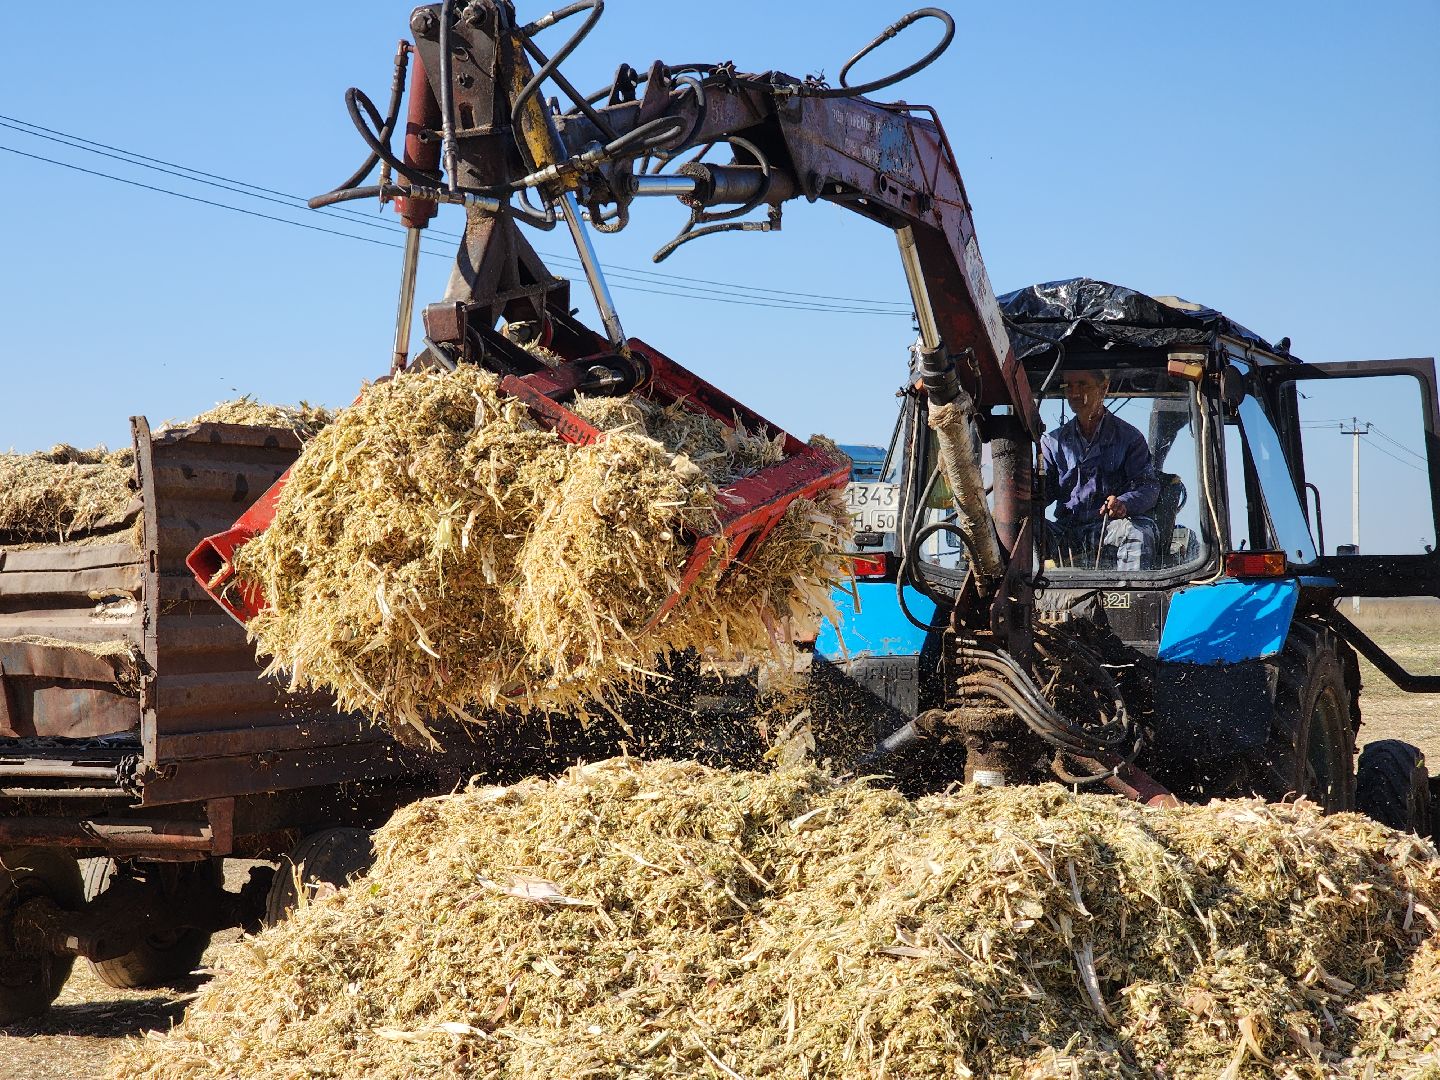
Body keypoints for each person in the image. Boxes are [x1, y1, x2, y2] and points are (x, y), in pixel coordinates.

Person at [1041, 370, 1159, 571]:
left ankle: (1126, 597)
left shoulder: (1129, 438)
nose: (1074, 392)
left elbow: (1147, 486)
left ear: (1104, 388)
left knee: (1138, 532)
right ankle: (1025, 596)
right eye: (1068, 386)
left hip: (1108, 527)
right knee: (1020, 530)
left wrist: (1123, 503)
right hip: (1066, 531)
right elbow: (1041, 493)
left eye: (1082, 384)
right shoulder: (1053, 442)